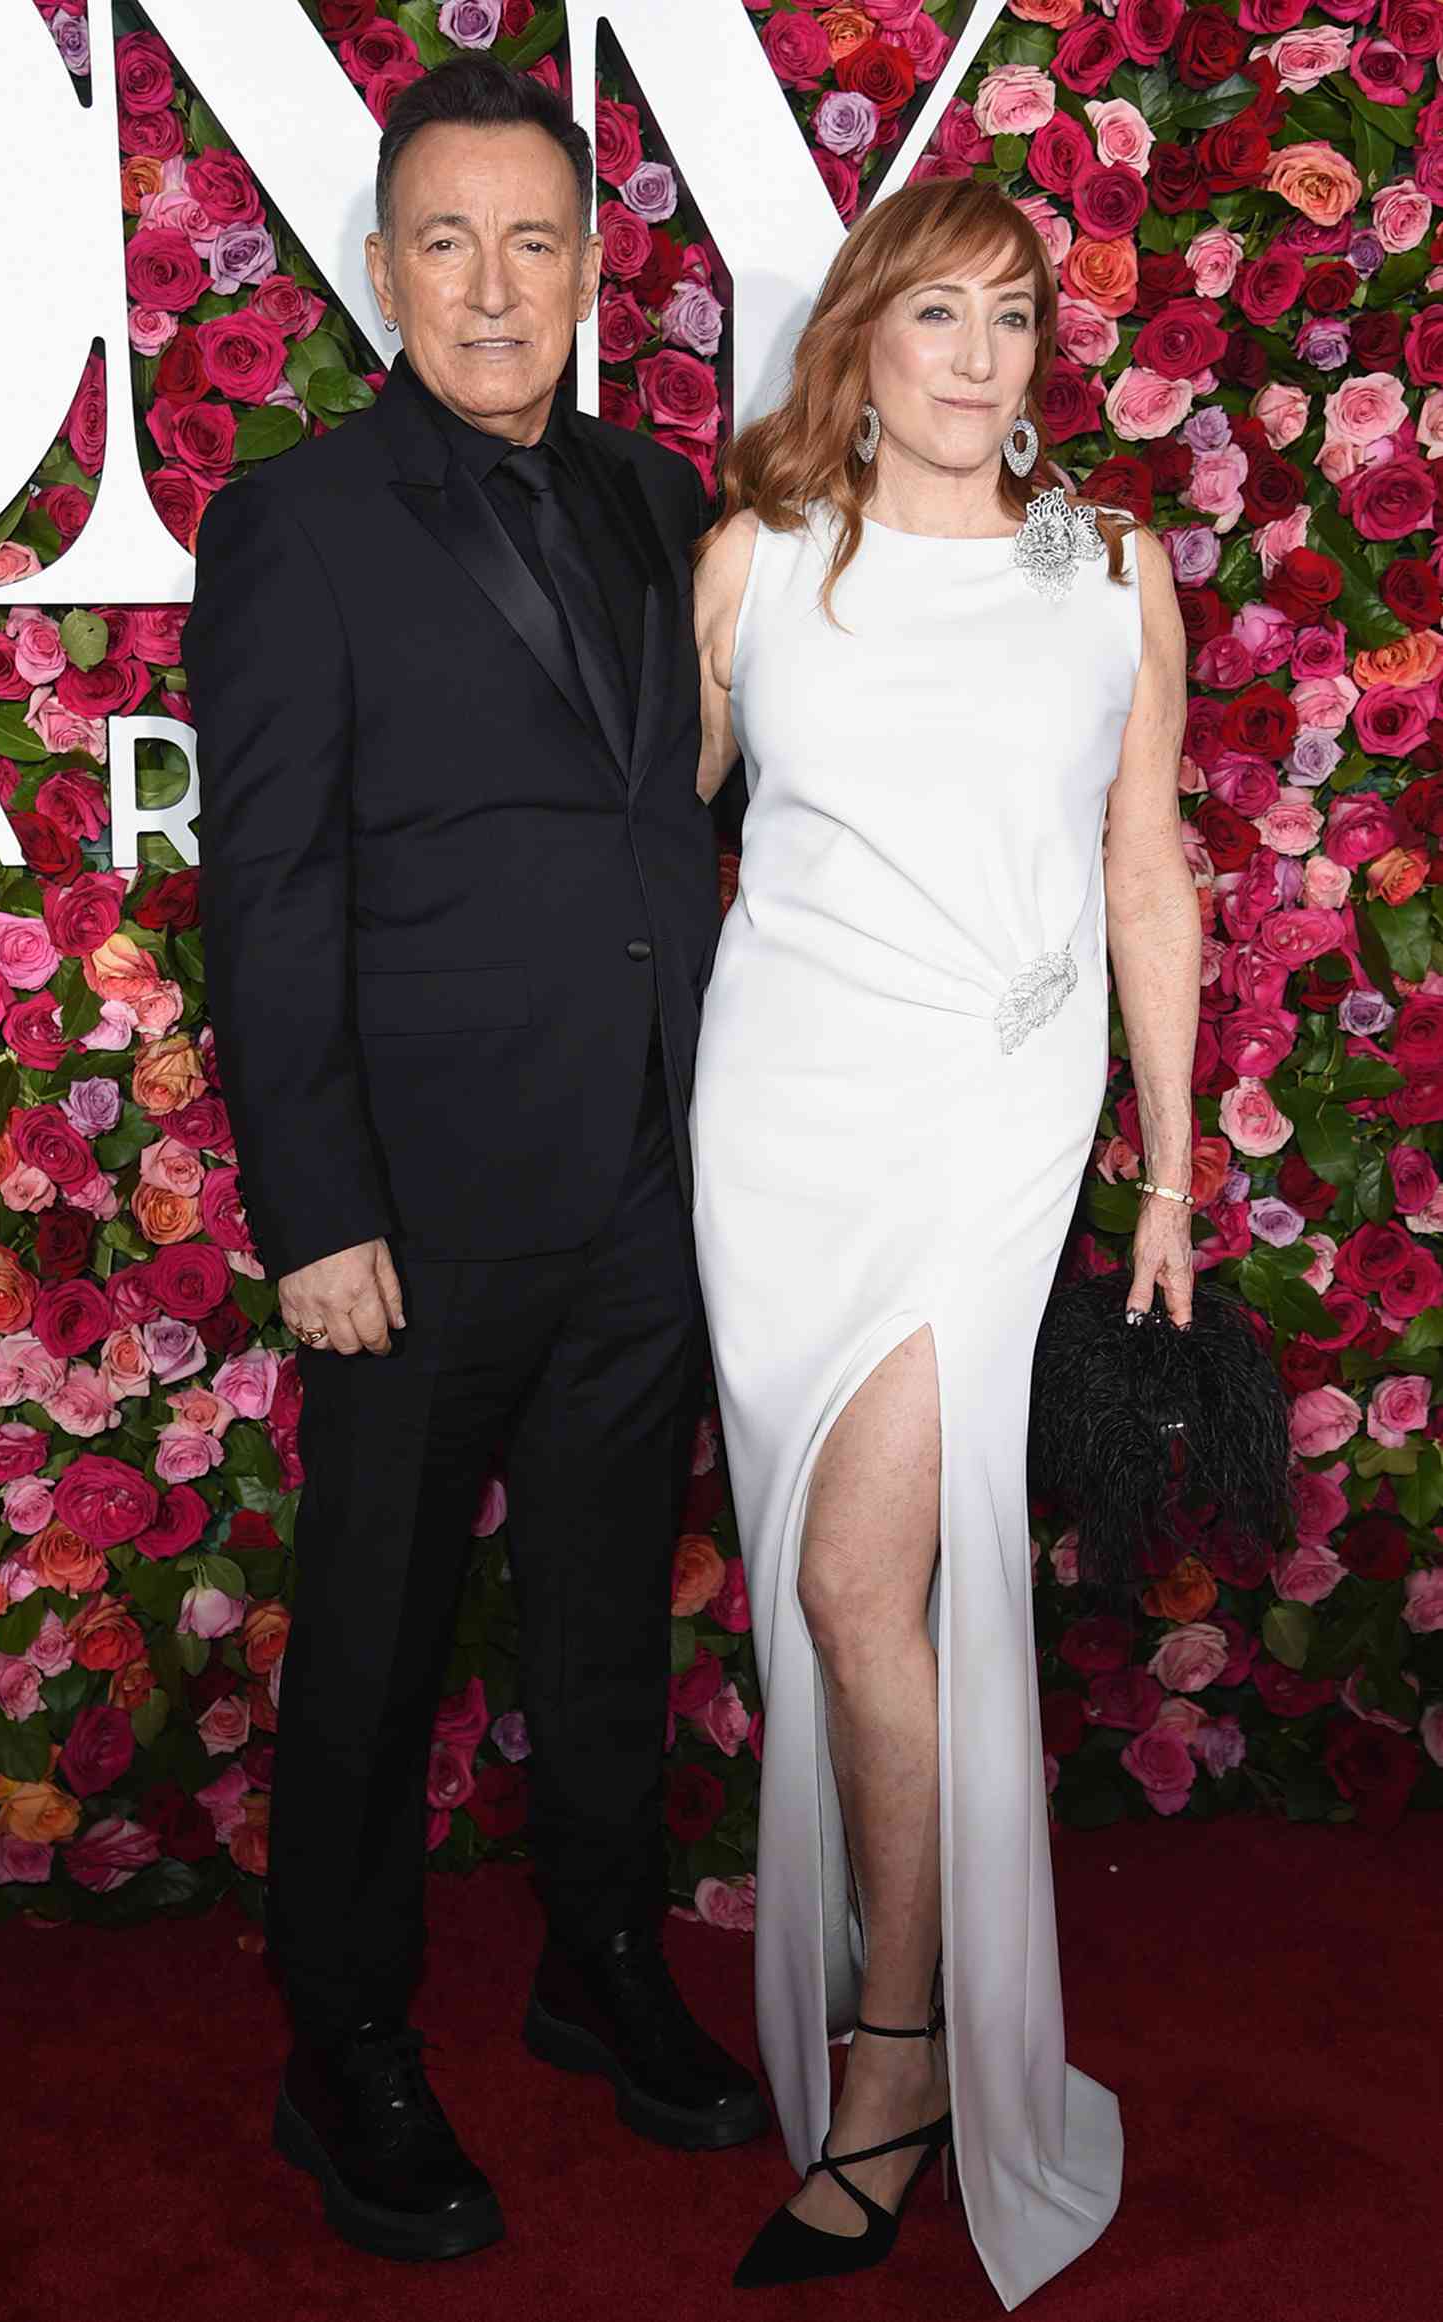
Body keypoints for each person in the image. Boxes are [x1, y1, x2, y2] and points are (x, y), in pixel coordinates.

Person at [182, 56, 766, 2266]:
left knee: (610, 1621)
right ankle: (343, 2045)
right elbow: (269, 885)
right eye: (450, 240)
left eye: (538, 240)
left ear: (595, 267)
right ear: (382, 266)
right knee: (377, 1644)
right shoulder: (298, 520)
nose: (495, 284)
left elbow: (691, 815)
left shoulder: (655, 493)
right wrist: (315, 1208)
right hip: (408, 1221)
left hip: (649, 1187)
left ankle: (597, 1966)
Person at [689, 178, 1196, 2305]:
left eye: (1015, 320)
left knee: (845, 1569)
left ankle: (897, 2054)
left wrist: (1170, 1169)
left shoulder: (1112, 580)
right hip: (776, 1127)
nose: (980, 360)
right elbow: (679, 844)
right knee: (838, 1582)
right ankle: (861, 1926)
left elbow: (1146, 876)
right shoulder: (758, 569)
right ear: (863, 345)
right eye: (939, 317)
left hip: (986, 1129)